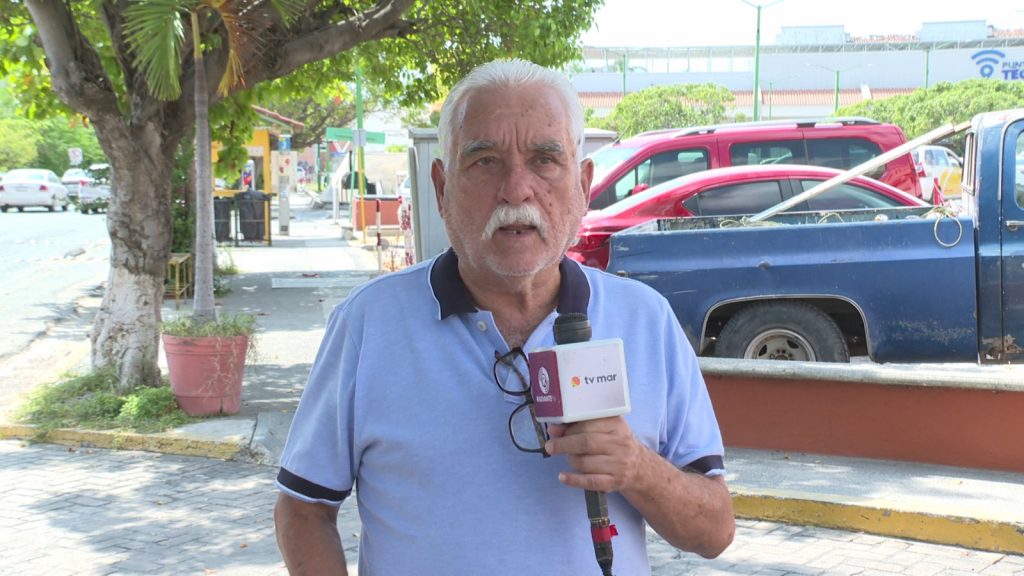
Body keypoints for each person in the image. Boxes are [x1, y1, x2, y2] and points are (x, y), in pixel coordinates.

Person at [273, 59, 735, 575]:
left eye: (544, 159)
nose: (517, 189)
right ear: (441, 187)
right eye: (485, 161)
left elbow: (714, 532)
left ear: (583, 185)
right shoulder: (368, 324)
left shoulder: (647, 320)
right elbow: (303, 509)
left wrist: (638, 469)